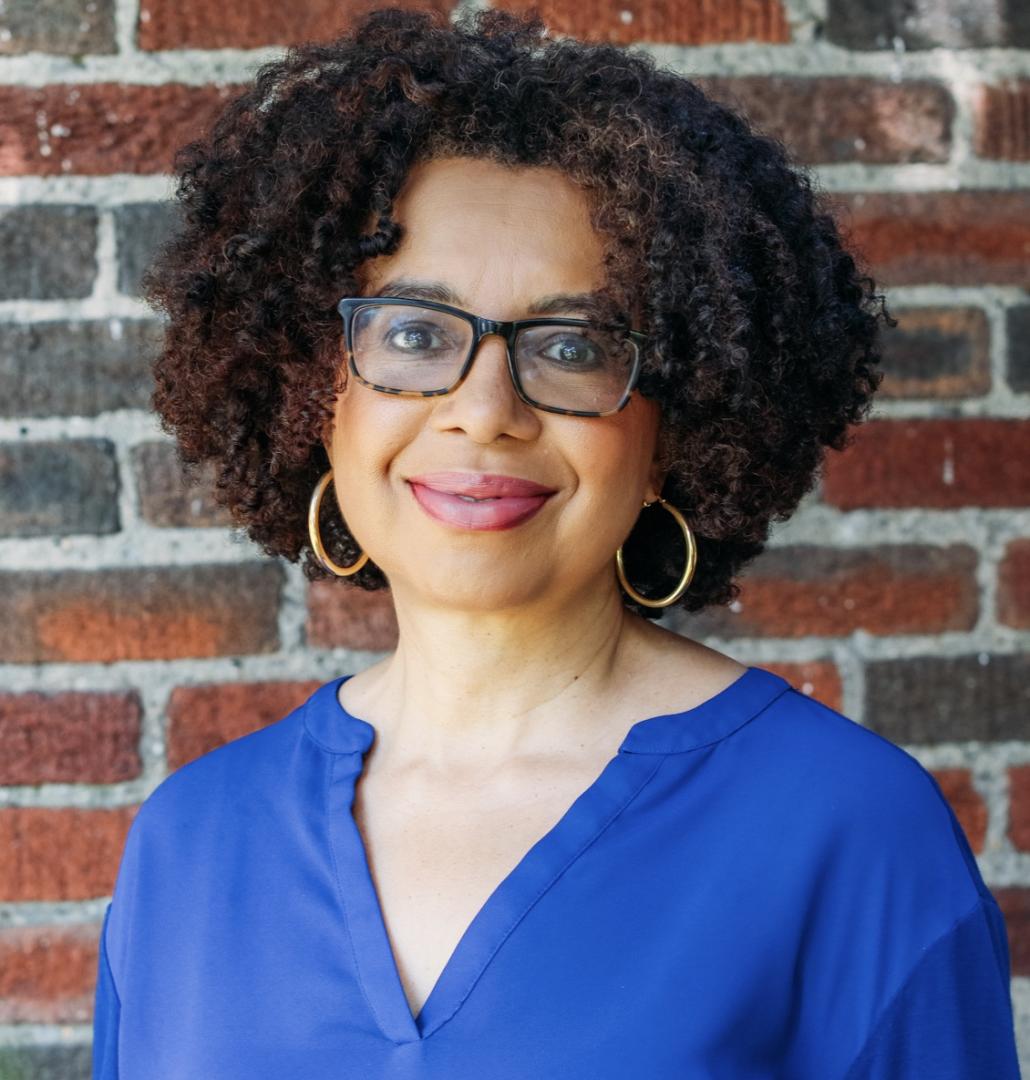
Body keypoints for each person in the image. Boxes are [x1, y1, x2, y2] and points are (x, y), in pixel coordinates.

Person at [91, 7, 1022, 1078]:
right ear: (314, 395)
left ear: (674, 426)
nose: (484, 410)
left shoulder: (845, 833)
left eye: (570, 345)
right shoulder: (193, 842)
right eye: (412, 333)